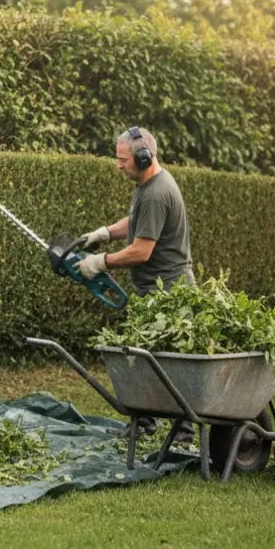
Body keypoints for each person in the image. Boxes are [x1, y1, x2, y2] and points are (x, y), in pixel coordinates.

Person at [76, 126, 196, 440]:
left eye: (123, 159)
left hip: (169, 292)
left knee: (161, 362)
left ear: (143, 158)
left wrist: (100, 261)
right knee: (147, 361)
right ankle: (148, 424)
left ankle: (177, 430)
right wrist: (104, 232)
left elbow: (142, 251)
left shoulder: (156, 192)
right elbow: (137, 221)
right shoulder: (149, 184)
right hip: (156, 290)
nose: (118, 165)